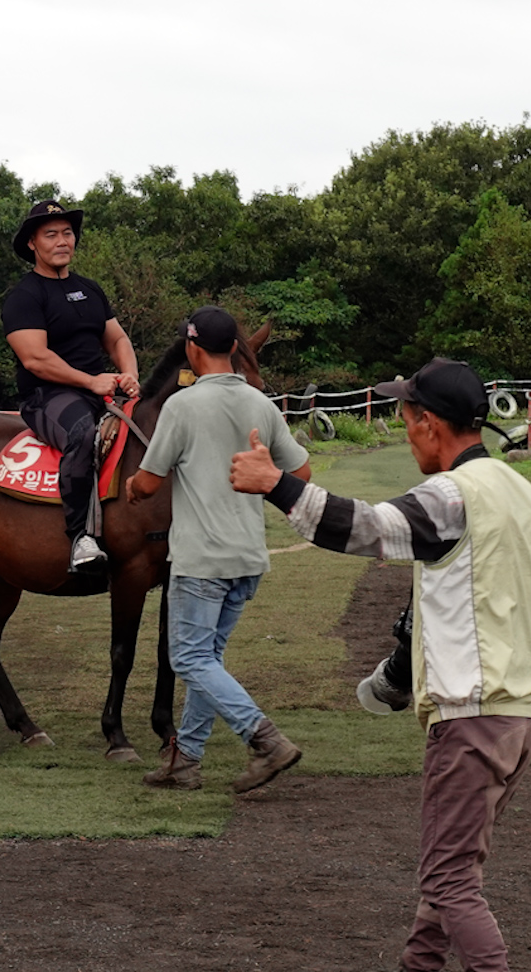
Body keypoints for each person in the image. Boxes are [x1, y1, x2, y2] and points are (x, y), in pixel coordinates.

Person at [229, 357, 531, 972]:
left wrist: (276, 485)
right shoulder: (526, 494)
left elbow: (366, 528)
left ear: (430, 424)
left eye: (405, 416)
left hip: (469, 719)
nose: (405, 427)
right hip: (520, 718)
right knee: (448, 875)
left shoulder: (450, 494)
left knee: (451, 885)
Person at [125, 306, 314, 793]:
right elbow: (301, 474)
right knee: (208, 658)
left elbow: (148, 482)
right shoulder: (261, 405)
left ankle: (265, 739)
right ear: (235, 347)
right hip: (247, 557)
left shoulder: (181, 407)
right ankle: (185, 760)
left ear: (190, 349)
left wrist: (131, 488)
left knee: (190, 661)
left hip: (201, 559)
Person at [0, 198, 140, 572]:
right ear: (32, 243)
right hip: (48, 396)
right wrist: (91, 381)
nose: (62, 241)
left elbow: (117, 340)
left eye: (67, 233)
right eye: (51, 235)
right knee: (82, 433)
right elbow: (36, 359)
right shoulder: (24, 297)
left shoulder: (90, 289)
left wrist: (130, 375)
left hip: (101, 390)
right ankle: (82, 537)